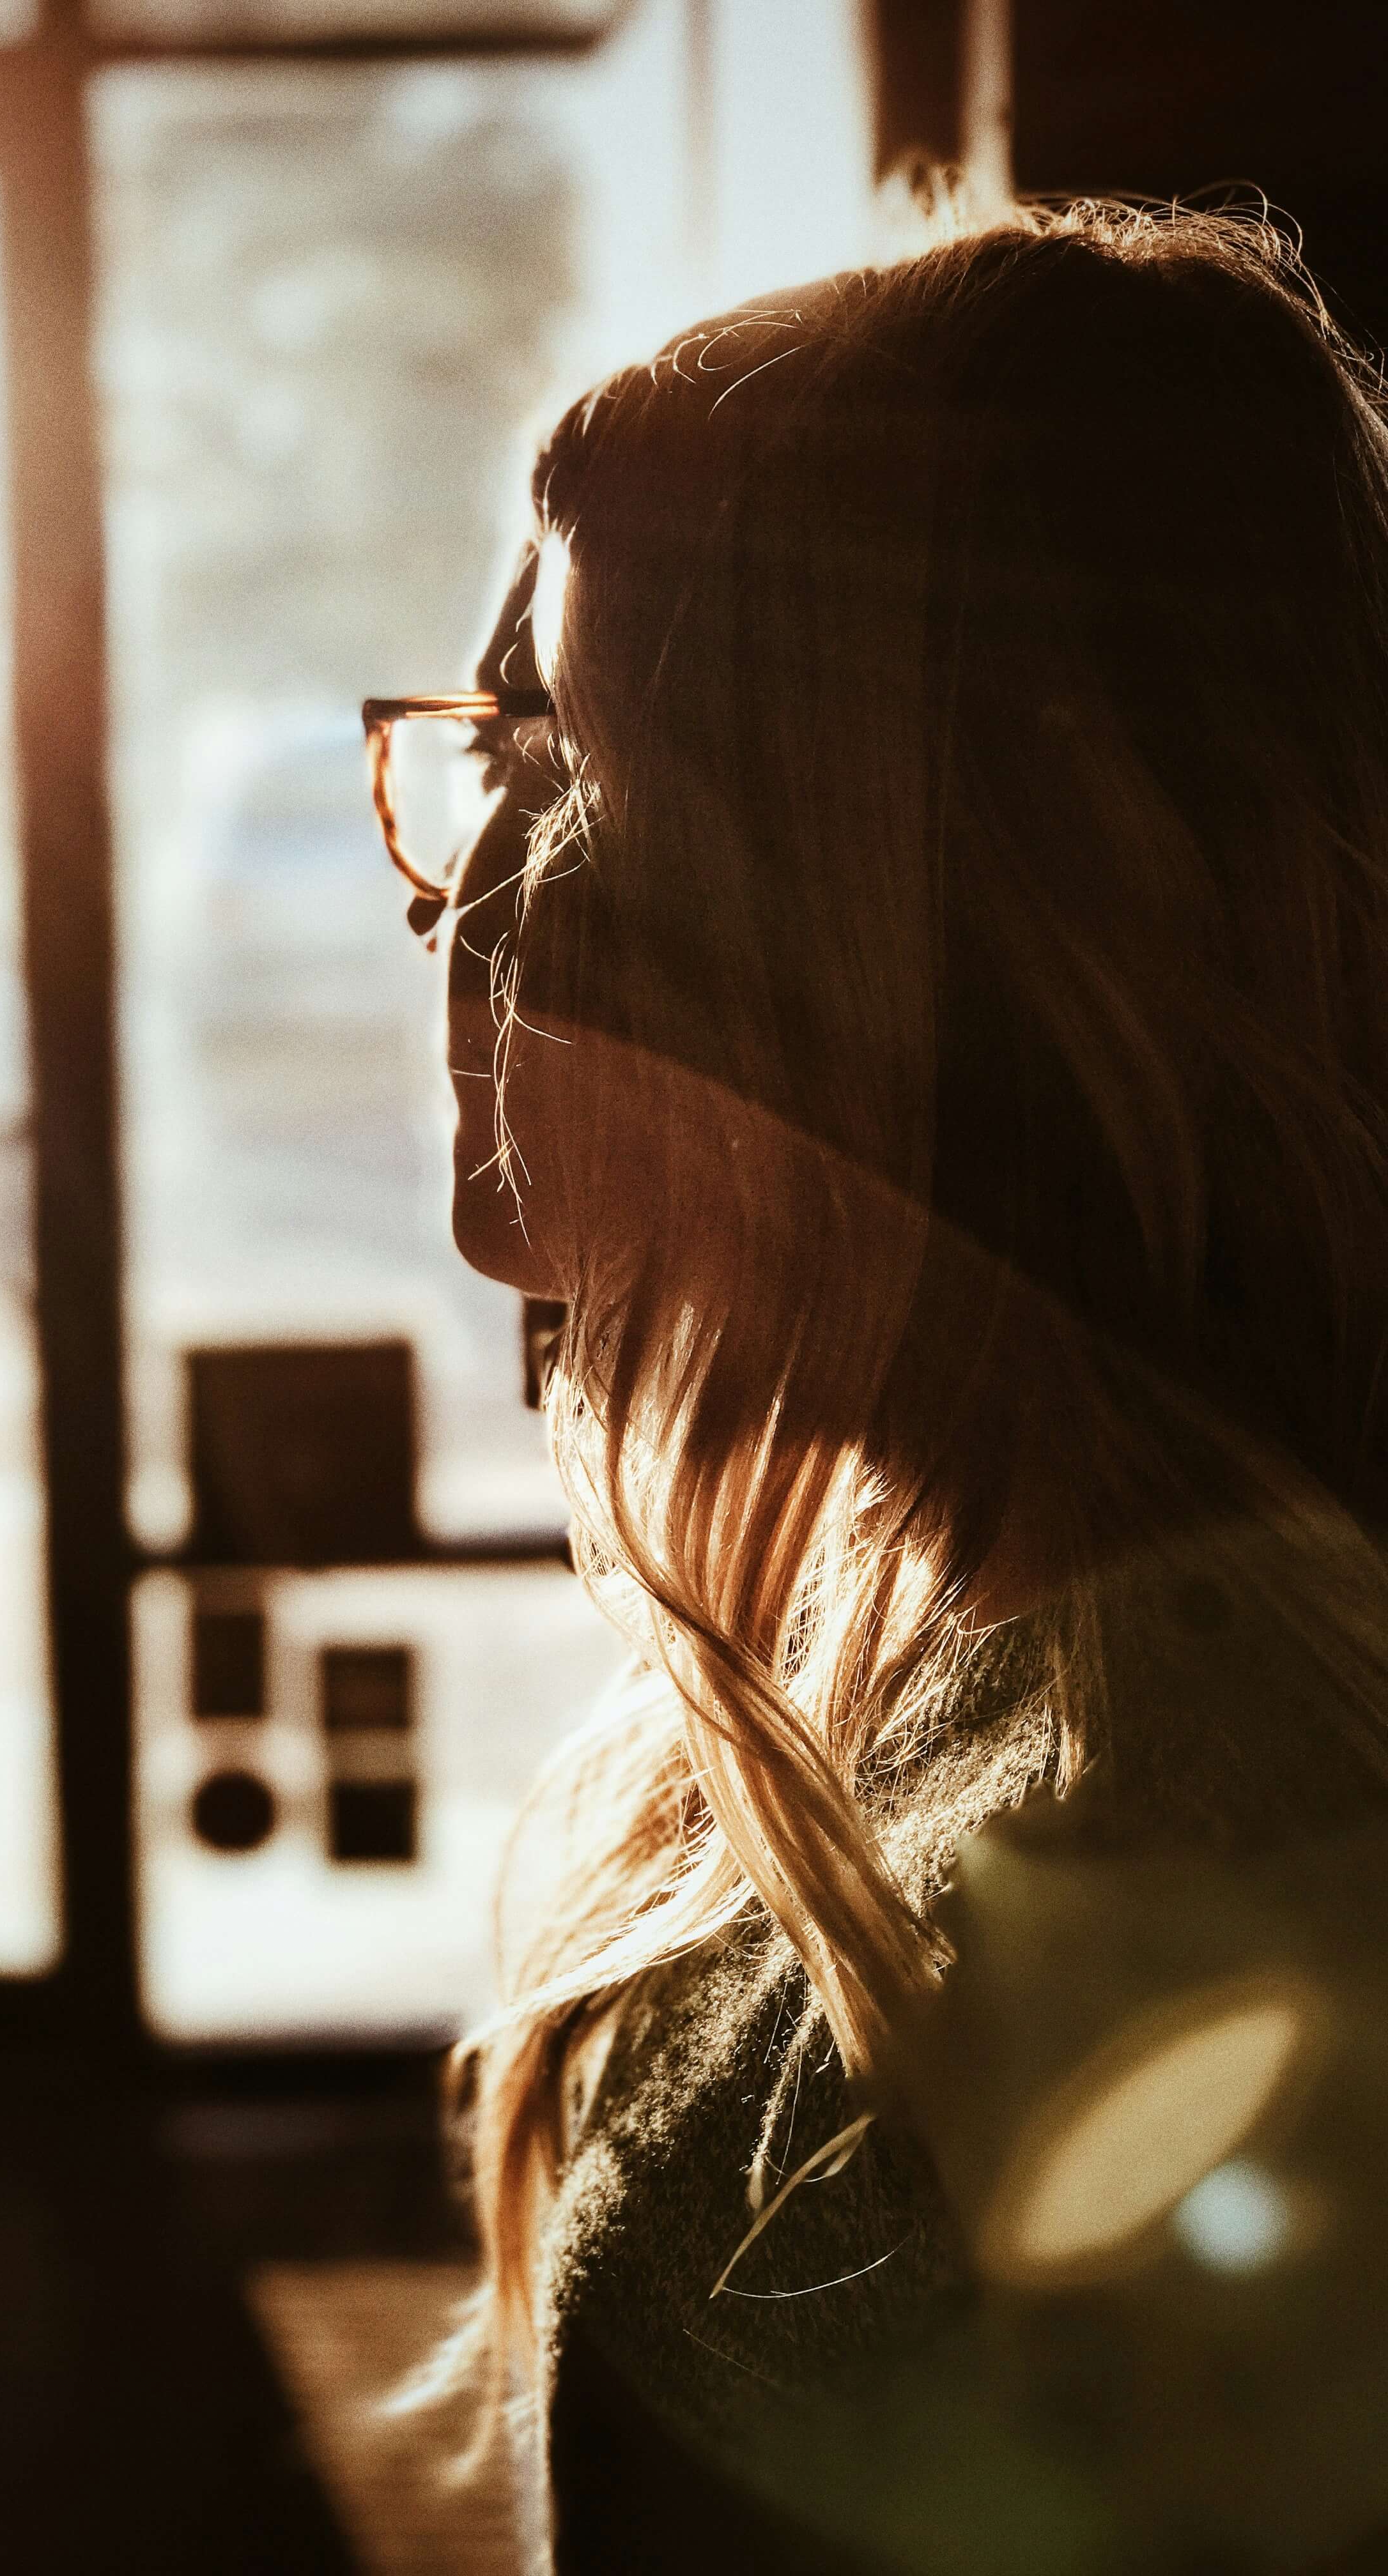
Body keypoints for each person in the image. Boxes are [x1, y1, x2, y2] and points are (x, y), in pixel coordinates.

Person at [366, 200, 1388, 2571]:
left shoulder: (1211, 1845)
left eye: (563, 756)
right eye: (474, 755)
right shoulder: (1005, 1662)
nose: (457, 898)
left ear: (929, 914)